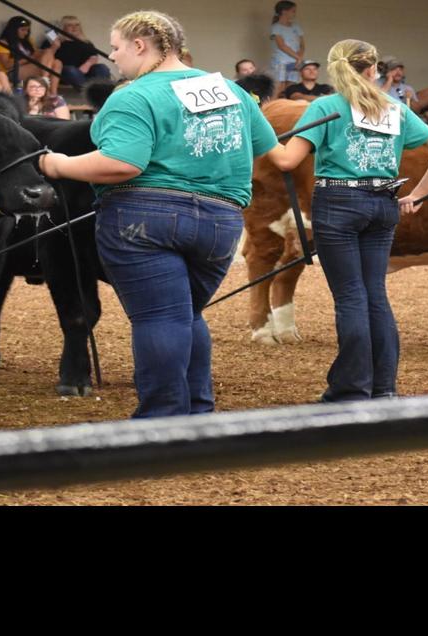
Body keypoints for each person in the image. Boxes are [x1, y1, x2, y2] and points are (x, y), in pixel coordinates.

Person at [38, 10, 277, 418]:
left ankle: (162, 419)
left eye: (115, 47)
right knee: (185, 313)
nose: (113, 57)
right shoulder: (230, 93)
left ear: (139, 45)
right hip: (220, 220)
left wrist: (57, 165)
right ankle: (197, 412)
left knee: (160, 317)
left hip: (144, 215)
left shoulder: (133, 95)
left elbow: (122, 162)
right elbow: (261, 146)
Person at [266, 38, 428, 402]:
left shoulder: (326, 107)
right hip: (383, 202)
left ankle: (351, 388)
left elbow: (287, 161)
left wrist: (260, 135)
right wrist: (418, 194)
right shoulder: (394, 108)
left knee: (351, 297)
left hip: (338, 202)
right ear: (373, 70)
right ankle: (383, 387)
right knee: (374, 295)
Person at [0, 17, 60, 89]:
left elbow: (43, 56)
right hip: (12, 72)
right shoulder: (2, 43)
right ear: (13, 29)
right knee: (44, 66)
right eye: (23, 30)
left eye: (27, 30)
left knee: (57, 62)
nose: (26, 33)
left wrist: (54, 47)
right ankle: (45, 84)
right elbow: (7, 65)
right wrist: (29, 58)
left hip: (29, 67)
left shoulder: (28, 41)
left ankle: (53, 94)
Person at [46, 15, 110, 88]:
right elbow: (45, 58)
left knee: (102, 67)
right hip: (66, 73)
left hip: (85, 72)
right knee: (71, 70)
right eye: (70, 25)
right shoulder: (55, 42)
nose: (74, 27)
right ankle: (90, 89)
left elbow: (94, 56)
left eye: (77, 25)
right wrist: (54, 46)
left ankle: (103, 89)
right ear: (62, 27)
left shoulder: (86, 42)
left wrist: (87, 64)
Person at [268, 1, 302, 83]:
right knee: (280, 86)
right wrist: (298, 57)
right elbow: (281, 45)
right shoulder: (276, 27)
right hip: (281, 61)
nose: (295, 13)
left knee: (291, 86)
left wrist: (299, 58)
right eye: (293, 11)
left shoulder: (296, 26)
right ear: (284, 11)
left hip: (294, 61)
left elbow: (302, 44)